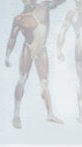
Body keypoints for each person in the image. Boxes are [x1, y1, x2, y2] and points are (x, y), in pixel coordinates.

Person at [5, 0, 67, 129]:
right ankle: (16, 114)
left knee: (44, 82)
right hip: (28, 48)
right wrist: (7, 55)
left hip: (41, 50)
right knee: (22, 79)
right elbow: (12, 38)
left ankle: (50, 114)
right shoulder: (20, 19)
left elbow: (58, 2)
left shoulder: (44, 6)